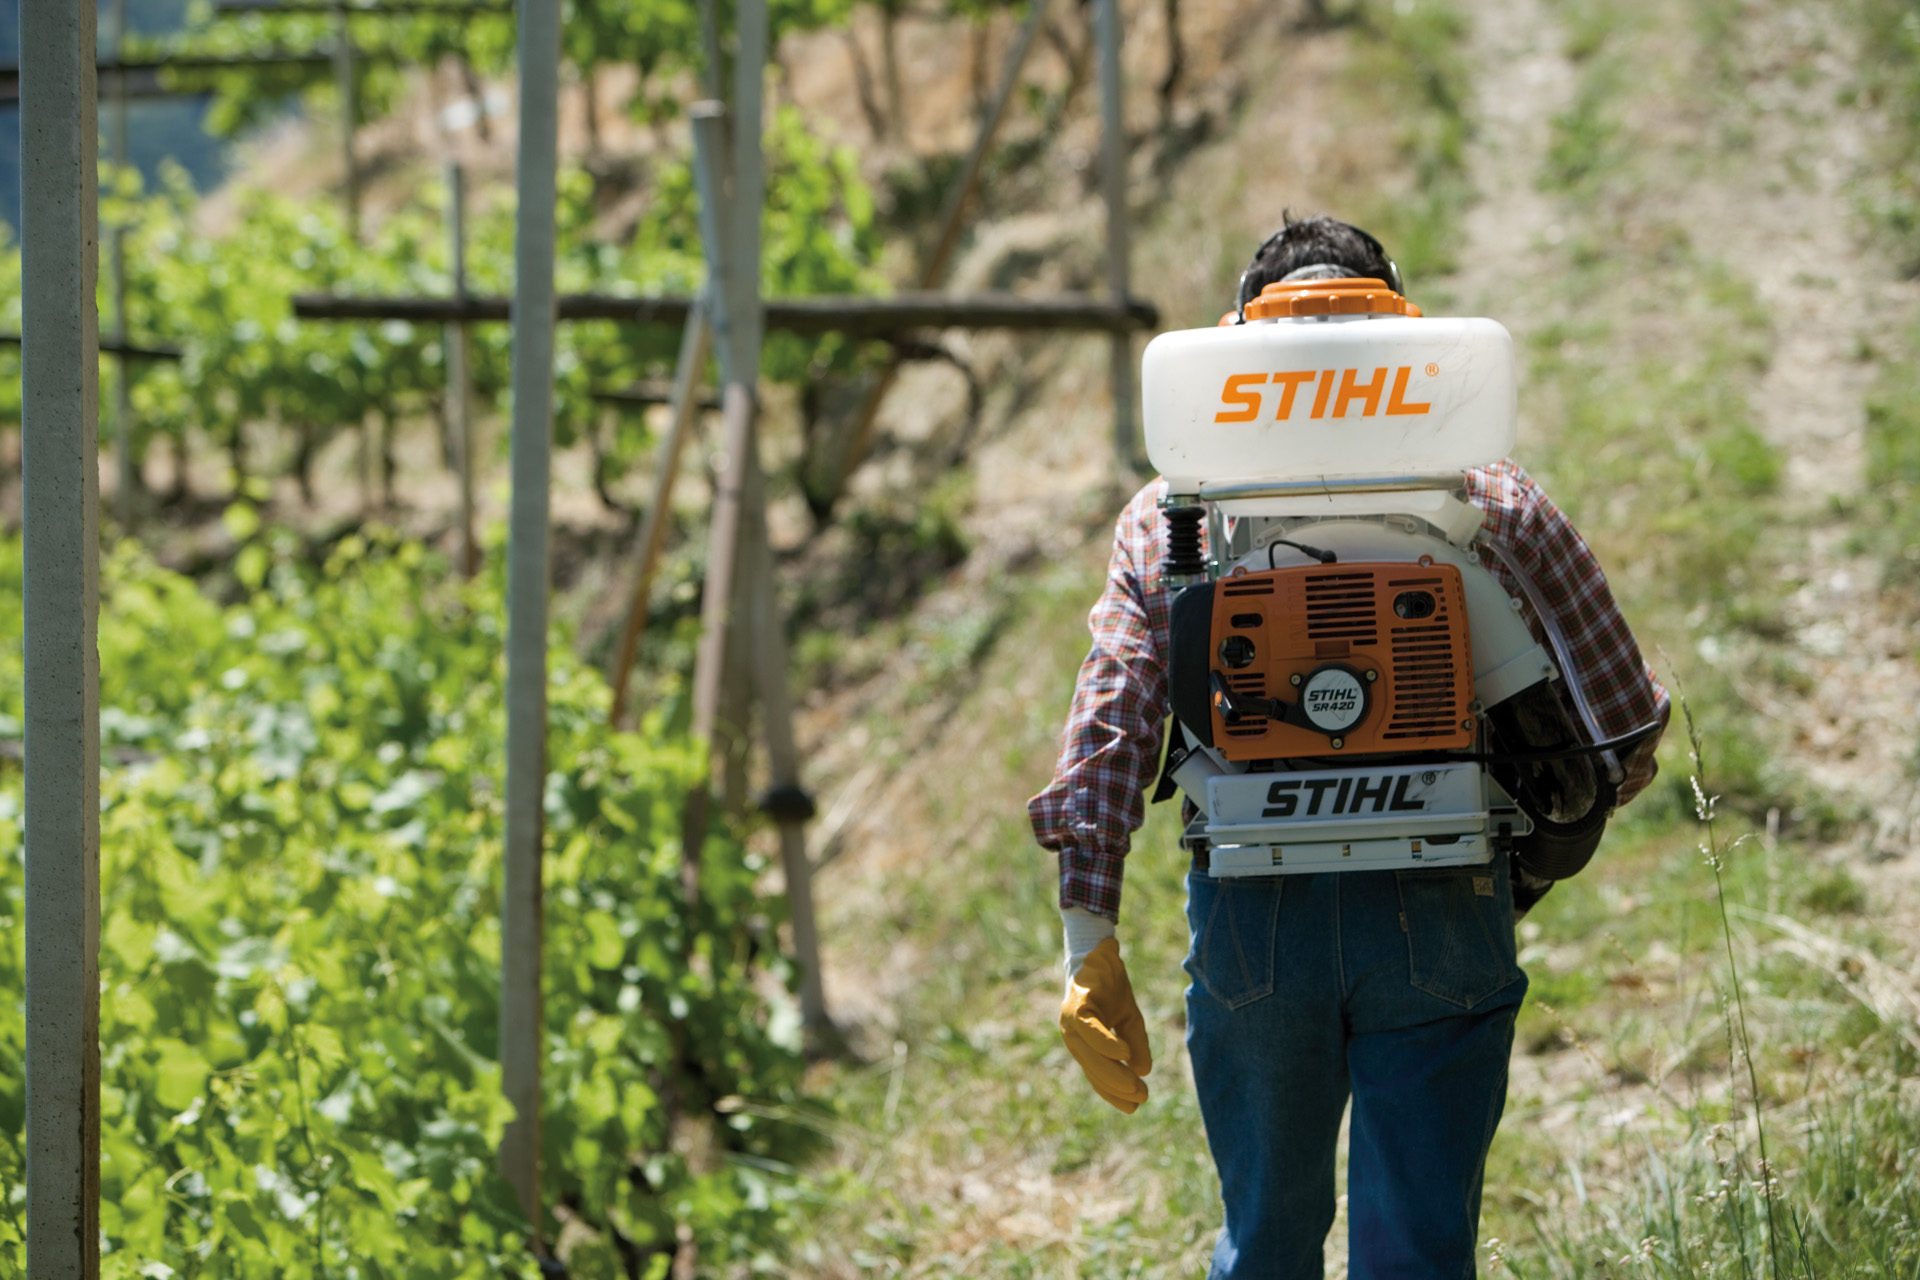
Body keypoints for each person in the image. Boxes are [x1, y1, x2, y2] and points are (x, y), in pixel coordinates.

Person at [1029, 213, 1670, 1278]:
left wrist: (1086, 938)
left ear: (1238, 344)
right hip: (1444, 896)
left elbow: (1110, 730)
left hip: (1253, 913)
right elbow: (1622, 731)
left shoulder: (1172, 519)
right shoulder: (1489, 496)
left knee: (1266, 1243)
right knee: (1416, 1252)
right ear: (1402, 333)